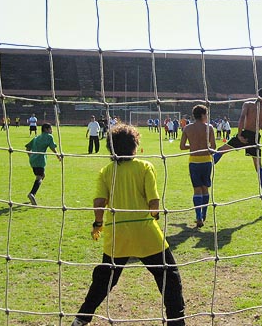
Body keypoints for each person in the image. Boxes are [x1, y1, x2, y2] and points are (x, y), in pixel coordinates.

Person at [71, 123, 185, 326]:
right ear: (134, 145)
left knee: (105, 278)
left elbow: (99, 202)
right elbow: (154, 203)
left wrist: (98, 223)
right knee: (169, 276)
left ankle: (81, 318)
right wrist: (154, 216)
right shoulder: (144, 167)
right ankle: (176, 321)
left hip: (118, 233)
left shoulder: (106, 171)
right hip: (145, 231)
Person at [213, 87, 262, 203]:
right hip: (255, 137)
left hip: (244, 134)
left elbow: (242, 118)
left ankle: (207, 168)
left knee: (220, 150)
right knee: (258, 167)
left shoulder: (248, 105)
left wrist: (239, 135)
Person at [180, 105, 216, 228]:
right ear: (202, 115)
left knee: (197, 189)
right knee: (205, 188)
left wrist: (193, 146)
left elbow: (182, 146)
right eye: (206, 114)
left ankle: (198, 216)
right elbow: (213, 147)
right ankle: (204, 214)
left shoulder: (187, 128)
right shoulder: (209, 128)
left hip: (194, 162)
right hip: (206, 161)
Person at [25, 123, 62, 205]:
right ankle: (32, 194)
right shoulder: (49, 137)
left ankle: (33, 194)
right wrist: (58, 156)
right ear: (46, 129)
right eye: (50, 129)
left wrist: (31, 156)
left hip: (33, 160)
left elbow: (27, 148)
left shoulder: (36, 138)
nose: (51, 131)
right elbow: (52, 147)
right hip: (40, 160)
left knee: (42, 176)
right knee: (39, 176)